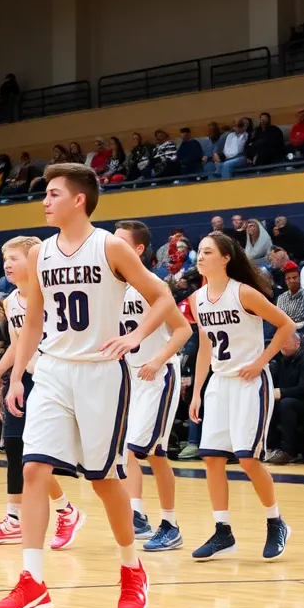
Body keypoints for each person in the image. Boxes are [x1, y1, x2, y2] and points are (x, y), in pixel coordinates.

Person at [0, 162, 177, 608]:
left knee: (102, 480)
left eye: (53, 193)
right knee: (33, 468)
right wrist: (17, 377)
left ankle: (132, 568)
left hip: (100, 374)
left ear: (79, 200)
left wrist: (135, 338)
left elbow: (164, 298)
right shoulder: (41, 255)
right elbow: (33, 320)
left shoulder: (110, 246)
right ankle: (32, 580)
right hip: (53, 370)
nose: (44, 201)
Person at [189, 232, 294, 561]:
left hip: (250, 383)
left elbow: (286, 325)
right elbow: (206, 345)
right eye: (199, 251)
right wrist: (197, 392)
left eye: (207, 252)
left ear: (225, 258)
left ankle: (276, 522)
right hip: (219, 383)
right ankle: (223, 532)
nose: (200, 257)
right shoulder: (197, 299)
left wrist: (260, 362)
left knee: (248, 459)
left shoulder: (244, 293)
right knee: (212, 458)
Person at [0, 236, 86, 549]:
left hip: (56, 378)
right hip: (26, 378)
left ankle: (68, 511)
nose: (8, 265)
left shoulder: (52, 295)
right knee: (15, 448)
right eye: (6, 259)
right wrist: (0, 374)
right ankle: (16, 519)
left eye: (15, 258)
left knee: (37, 456)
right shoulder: (11, 301)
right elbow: (18, 343)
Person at [115, 221, 193, 552]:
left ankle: (141, 516)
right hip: (130, 377)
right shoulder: (110, 287)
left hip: (157, 375)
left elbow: (184, 330)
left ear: (138, 250)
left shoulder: (152, 285)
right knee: (155, 455)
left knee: (133, 448)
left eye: (119, 242)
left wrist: (158, 360)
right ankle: (165, 523)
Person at [265, 334, 304, 465]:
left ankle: (288, 451)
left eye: (285, 342)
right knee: (267, 403)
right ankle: (269, 447)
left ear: (297, 344)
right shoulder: (278, 361)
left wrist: (282, 392)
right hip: (289, 404)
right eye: (281, 342)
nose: (282, 345)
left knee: (286, 403)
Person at [277, 262, 304, 326]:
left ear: (299, 278)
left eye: (294, 277)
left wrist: (286, 322)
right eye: (288, 278)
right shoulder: (281, 298)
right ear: (285, 281)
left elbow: (302, 317)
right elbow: (279, 317)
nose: (292, 281)